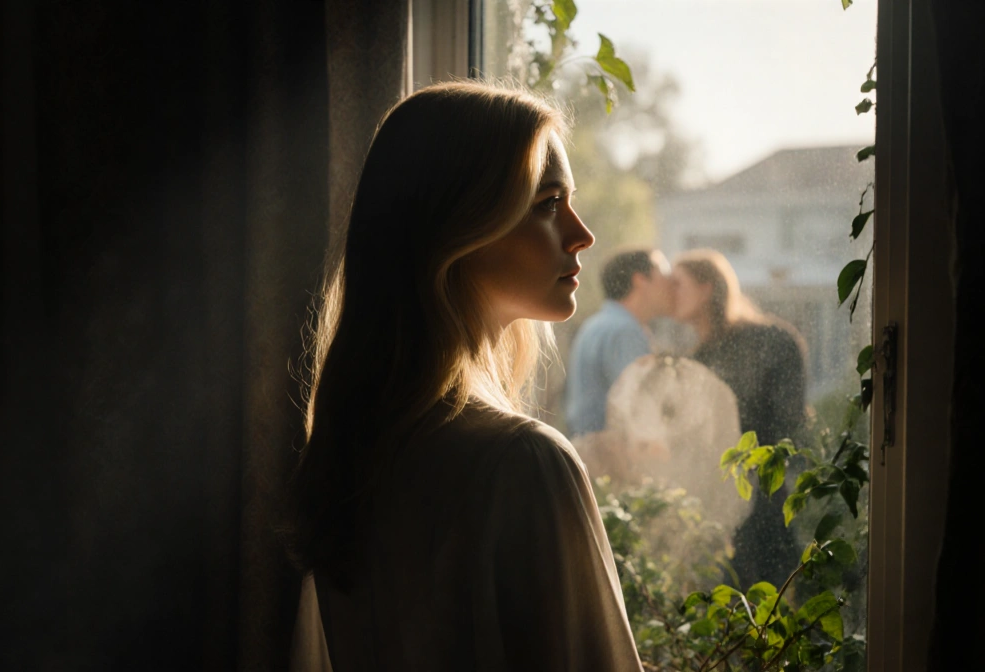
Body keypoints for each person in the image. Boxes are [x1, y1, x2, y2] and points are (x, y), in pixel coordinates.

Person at [284, 81, 644, 671]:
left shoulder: (353, 453)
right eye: (548, 203)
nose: (582, 235)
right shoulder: (522, 462)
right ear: (458, 226)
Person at [670, 248, 808, 590]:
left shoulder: (771, 340)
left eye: (678, 284)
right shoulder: (697, 358)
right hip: (717, 501)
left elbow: (787, 422)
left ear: (705, 289)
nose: (670, 293)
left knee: (766, 599)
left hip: (762, 495)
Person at [564, 249, 673, 437]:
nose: (670, 286)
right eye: (664, 276)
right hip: (611, 457)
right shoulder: (624, 331)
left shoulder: (597, 324)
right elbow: (641, 407)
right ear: (640, 280)